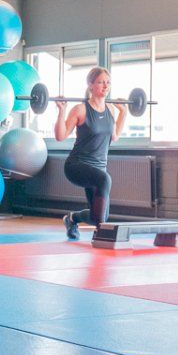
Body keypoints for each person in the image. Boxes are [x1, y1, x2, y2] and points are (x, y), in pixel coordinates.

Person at [55, 66, 127, 241]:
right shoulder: (81, 109)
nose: (105, 86)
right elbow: (60, 136)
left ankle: (71, 219)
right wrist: (61, 111)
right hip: (77, 166)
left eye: (108, 82)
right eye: (101, 82)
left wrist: (123, 112)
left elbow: (114, 136)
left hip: (98, 169)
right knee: (105, 180)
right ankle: (101, 233)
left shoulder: (110, 110)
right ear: (90, 85)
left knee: (98, 215)